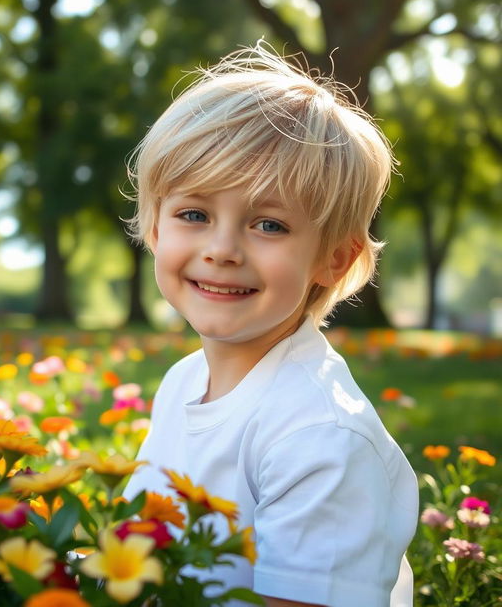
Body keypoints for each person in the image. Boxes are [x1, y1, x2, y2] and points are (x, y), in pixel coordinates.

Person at [122, 41, 419, 607]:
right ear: (155, 228)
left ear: (335, 258)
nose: (223, 249)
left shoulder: (317, 435)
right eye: (194, 214)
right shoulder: (183, 383)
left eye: (269, 224)